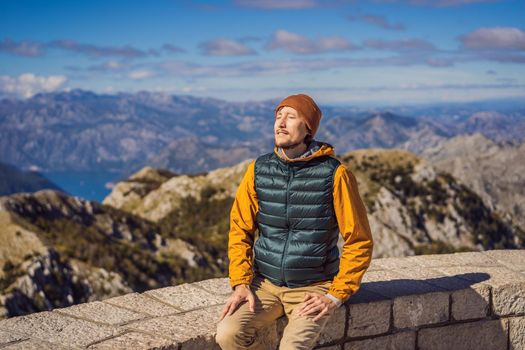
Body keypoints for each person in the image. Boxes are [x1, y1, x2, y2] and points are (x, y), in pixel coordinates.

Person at [215, 93, 374, 350]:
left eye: (290, 117)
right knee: (227, 333)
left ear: (308, 129)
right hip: (263, 284)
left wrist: (336, 295)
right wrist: (241, 282)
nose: (280, 123)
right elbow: (240, 229)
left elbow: (359, 239)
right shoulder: (258, 169)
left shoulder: (336, 174)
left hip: (313, 288)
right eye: (278, 117)